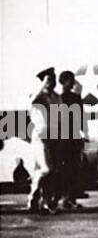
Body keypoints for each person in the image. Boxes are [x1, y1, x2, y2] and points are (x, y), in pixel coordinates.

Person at [56, 71, 98, 210]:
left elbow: (81, 117)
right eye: (71, 80)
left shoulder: (62, 98)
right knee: (69, 169)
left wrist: (84, 133)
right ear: (65, 81)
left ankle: (68, 197)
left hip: (68, 137)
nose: (73, 83)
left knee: (71, 168)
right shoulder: (65, 98)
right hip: (67, 137)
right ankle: (67, 198)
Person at [26, 69, 58, 214]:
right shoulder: (36, 96)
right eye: (49, 79)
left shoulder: (56, 97)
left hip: (54, 136)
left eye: (54, 79)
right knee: (46, 170)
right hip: (41, 137)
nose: (53, 82)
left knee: (51, 171)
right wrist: (43, 84)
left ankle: (45, 202)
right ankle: (33, 196)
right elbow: (33, 101)